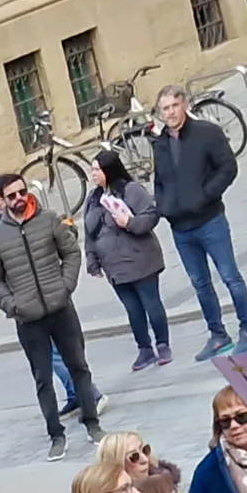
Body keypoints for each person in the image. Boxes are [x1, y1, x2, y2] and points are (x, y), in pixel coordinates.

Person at [0, 173, 102, 460]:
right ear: (1, 202)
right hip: (28, 319)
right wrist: (12, 305)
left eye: (22, 191)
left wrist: (65, 286)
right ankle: (56, 435)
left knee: (79, 367)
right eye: (12, 195)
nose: (19, 198)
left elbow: (71, 253)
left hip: (61, 309)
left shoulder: (48, 220)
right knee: (43, 378)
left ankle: (92, 423)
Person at [150, 88, 247, 358]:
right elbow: (159, 179)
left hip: (210, 220)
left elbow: (228, 167)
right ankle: (217, 334)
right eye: (165, 108)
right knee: (200, 284)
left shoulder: (207, 133)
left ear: (184, 105)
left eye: (174, 105)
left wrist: (206, 195)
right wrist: (164, 206)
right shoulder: (159, 143)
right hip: (180, 228)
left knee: (230, 276)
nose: (170, 112)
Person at [78, 150, 175, 374]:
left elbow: (151, 215)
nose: (92, 174)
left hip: (140, 260)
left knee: (151, 304)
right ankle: (144, 348)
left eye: (96, 170)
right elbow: (89, 232)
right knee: (132, 310)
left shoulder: (131, 190)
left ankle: (162, 344)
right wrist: (92, 260)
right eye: (92, 170)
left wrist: (130, 222)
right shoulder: (93, 199)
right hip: (114, 267)